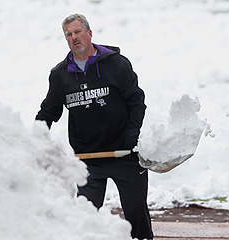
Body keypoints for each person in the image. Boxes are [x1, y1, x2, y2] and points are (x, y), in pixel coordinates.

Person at [35, 13, 153, 240]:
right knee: (84, 219)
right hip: (87, 158)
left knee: (137, 218)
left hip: (124, 155)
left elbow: (137, 101)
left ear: (89, 33)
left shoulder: (117, 64)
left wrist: (130, 137)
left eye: (78, 32)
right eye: (68, 35)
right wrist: (33, 139)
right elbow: (49, 112)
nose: (74, 38)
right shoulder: (60, 75)